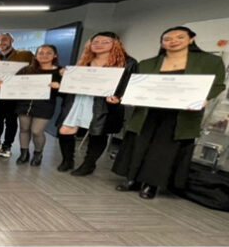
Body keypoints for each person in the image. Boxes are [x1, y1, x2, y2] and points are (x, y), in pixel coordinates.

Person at [112, 26, 226, 199]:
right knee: (139, 143)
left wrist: (205, 98)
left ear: (191, 39)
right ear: (162, 43)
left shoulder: (209, 61)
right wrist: (125, 97)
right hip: (147, 111)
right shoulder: (148, 63)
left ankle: (151, 184)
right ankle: (132, 179)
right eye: (167, 39)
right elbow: (136, 85)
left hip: (180, 114)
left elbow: (217, 84)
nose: (173, 41)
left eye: (179, 37)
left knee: (164, 149)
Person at [55, 31, 137, 175]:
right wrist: (66, 76)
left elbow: (131, 85)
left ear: (116, 44)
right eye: (95, 42)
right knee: (65, 130)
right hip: (79, 99)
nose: (99, 45)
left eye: (105, 42)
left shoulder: (128, 62)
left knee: (97, 132)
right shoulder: (85, 60)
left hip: (103, 104)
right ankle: (67, 160)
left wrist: (119, 97)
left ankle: (89, 164)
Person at [0, 33, 34, 158]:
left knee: (11, 120)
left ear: (11, 40)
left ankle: (7, 145)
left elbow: (33, 71)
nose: (0, 43)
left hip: (14, 94)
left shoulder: (25, 55)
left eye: (4, 40)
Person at [14, 44, 63, 167]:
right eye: (41, 53)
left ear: (55, 55)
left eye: (48, 53)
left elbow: (68, 91)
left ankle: (38, 153)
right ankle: (24, 153)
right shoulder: (27, 69)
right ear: (36, 56)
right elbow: (13, 83)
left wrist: (59, 86)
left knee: (36, 131)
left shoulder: (60, 72)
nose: (44, 55)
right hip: (24, 104)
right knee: (24, 129)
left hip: (45, 105)